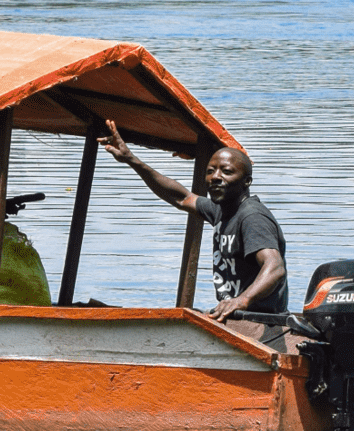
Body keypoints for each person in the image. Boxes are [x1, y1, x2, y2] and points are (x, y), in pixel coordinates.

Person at [97, 120, 287, 320]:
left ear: (246, 181)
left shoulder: (252, 217)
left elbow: (274, 267)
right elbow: (181, 197)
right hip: (235, 315)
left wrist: (241, 300)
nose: (215, 177)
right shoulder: (221, 209)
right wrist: (131, 159)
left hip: (262, 321)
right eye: (210, 171)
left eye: (227, 171)